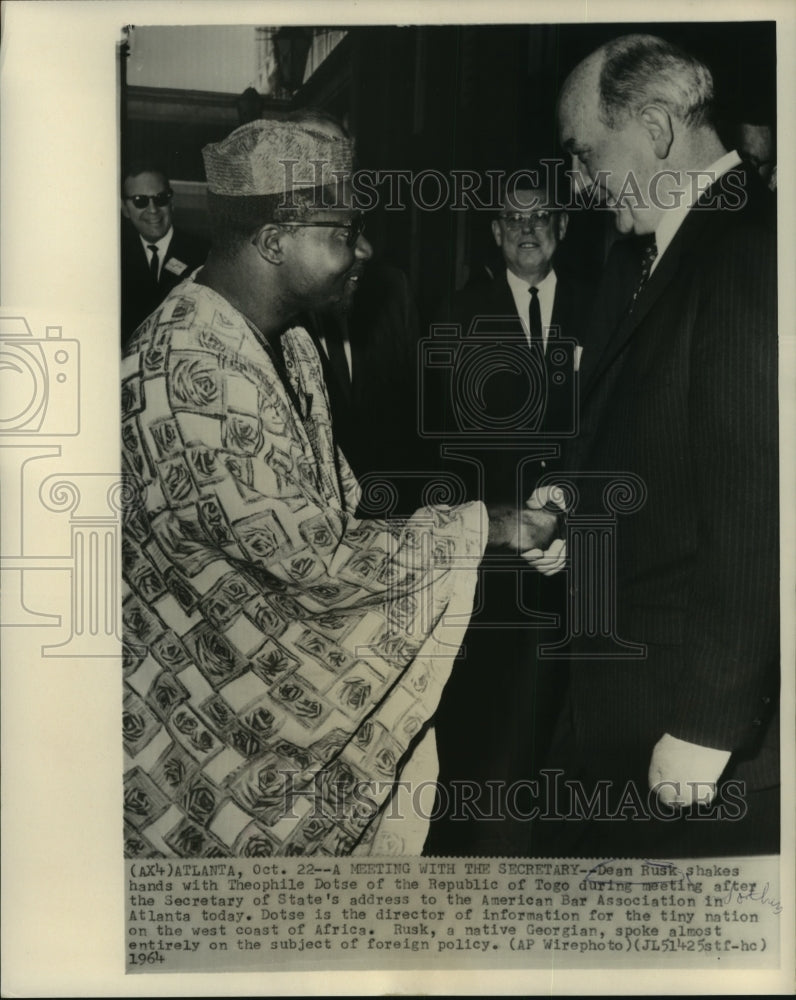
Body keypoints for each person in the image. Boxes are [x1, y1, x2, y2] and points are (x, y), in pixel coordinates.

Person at [121, 118, 559, 859]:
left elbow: (336, 514)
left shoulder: (286, 338)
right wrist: (487, 527)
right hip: (199, 753)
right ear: (273, 241)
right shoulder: (190, 373)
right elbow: (315, 561)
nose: (365, 250)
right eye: (345, 232)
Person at [539, 33, 778, 856]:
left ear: (656, 127)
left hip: (687, 719)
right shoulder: (640, 257)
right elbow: (648, 437)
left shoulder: (749, 250)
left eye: (584, 154)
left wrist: (709, 723)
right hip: (624, 697)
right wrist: (568, 507)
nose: (577, 182)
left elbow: (758, 503)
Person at [423, 177, 596, 857]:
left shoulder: (600, 306)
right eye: (513, 220)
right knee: (490, 718)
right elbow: (446, 444)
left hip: (578, 546)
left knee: (562, 714)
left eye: (542, 218)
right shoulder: (459, 313)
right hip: (492, 554)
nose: (529, 231)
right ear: (494, 232)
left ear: (563, 227)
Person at [120, 161, 208, 347]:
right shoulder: (115, 257)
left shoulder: (203, 254)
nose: (152, 210)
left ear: (172, 203)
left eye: (160, 199)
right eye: (140, 201)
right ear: (125, 209)